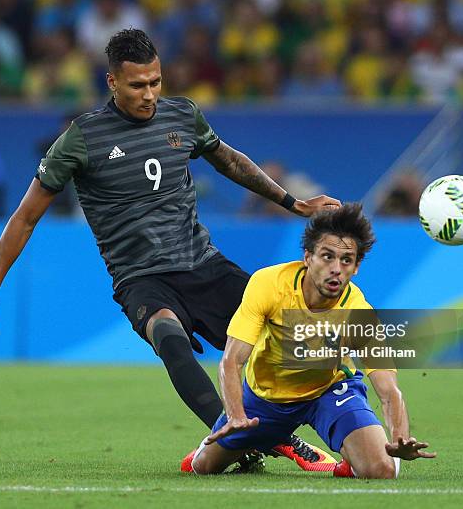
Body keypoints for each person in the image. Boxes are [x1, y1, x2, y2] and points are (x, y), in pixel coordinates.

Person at [0, 29, 340, 470]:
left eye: (156, 82)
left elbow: (231, 161)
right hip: (141, 279)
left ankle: (336, 426)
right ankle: (235, 436)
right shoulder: (82, 138)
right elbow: (24, 217)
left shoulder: (183, 116)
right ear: (112, 82)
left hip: (203, 263)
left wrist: (293, 202)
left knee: (289, 338)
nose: (150, 94)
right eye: (138, 85)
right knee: (169, 337)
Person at [185, 204, 436, 477]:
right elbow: (232, 361)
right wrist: (236, 415)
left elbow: (389, 390)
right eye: (327, 257)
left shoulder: (359, 313)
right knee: (203, 467)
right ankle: (273, 440)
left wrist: (400, 437)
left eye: (346, 260)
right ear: (308, 257)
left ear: (356, 267)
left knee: (382, 470)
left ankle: (349, 461)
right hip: (266, 399)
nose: (336, 269)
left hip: (329, 391)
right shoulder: (268, 284)